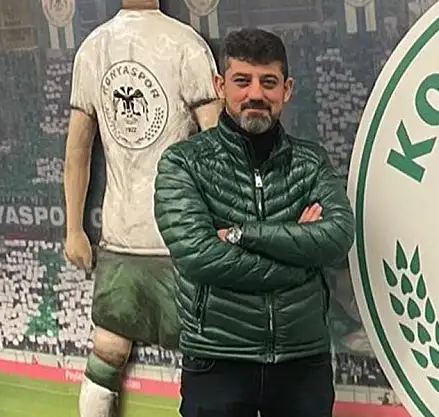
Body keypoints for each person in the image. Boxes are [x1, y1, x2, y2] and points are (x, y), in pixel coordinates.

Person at [153, 28, 355, 417]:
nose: (256, 94)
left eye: (269, 82)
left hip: (302, 362)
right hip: (217, 359)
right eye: (242, 81)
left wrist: (242, 234)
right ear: (220, 86)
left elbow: (337, 238)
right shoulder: (183, 163)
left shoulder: (311, 162)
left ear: (287, 89)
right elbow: (199, 256)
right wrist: (301, 257)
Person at [62, 1, 222, 416]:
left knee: (116, 354)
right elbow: (221, 147)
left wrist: (74, 229)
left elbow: (78, 148)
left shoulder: (175, 46)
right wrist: (73, 228)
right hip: (155, 236)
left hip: (164, 239)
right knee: (112, 350)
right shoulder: (183, 45)